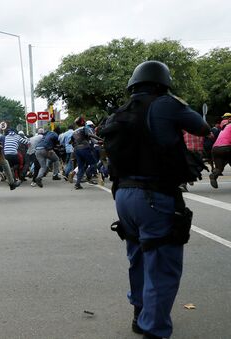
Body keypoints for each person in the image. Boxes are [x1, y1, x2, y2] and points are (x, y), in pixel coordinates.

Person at [108, 61, 210, 339]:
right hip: (153, 195)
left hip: (122, 196)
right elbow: (202, 128)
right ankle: (154, 330)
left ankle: (140, 314)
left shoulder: (121, 111)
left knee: (138, 256)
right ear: (163, 83)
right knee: (162, 264)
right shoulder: (166, 103)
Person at [209, 120, 231, 188]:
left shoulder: (225, 128)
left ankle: (213, 175)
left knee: (219, 168)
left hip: (215, 148)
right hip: (227, 147)